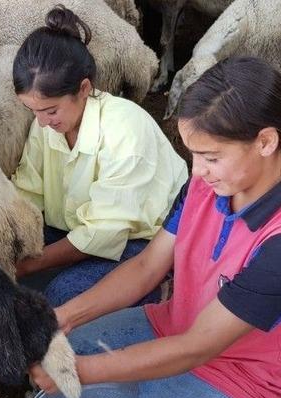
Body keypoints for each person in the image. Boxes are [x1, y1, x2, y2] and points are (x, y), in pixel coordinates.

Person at [30, 56, 281, 398]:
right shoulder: (205, 185)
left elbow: (197, 347)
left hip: (236, 379)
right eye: (193, 154)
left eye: (211, 156)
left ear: (266, 142)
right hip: (171, 326)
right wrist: (62, 317)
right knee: (61, 353)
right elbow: (146, 267)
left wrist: (80, 372)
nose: (198, 171)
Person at [11, 5, 188, 307]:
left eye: (50, 110)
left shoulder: (125, 128)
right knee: (0, 284)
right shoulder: (48, 126)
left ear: (83, 89)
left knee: (61, 297)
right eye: (33, 111)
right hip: (74, 228)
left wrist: (28, 264)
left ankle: (163, 289)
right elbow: (28, 191)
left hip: (140, 243)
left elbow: (105, 232)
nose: (41, 122)